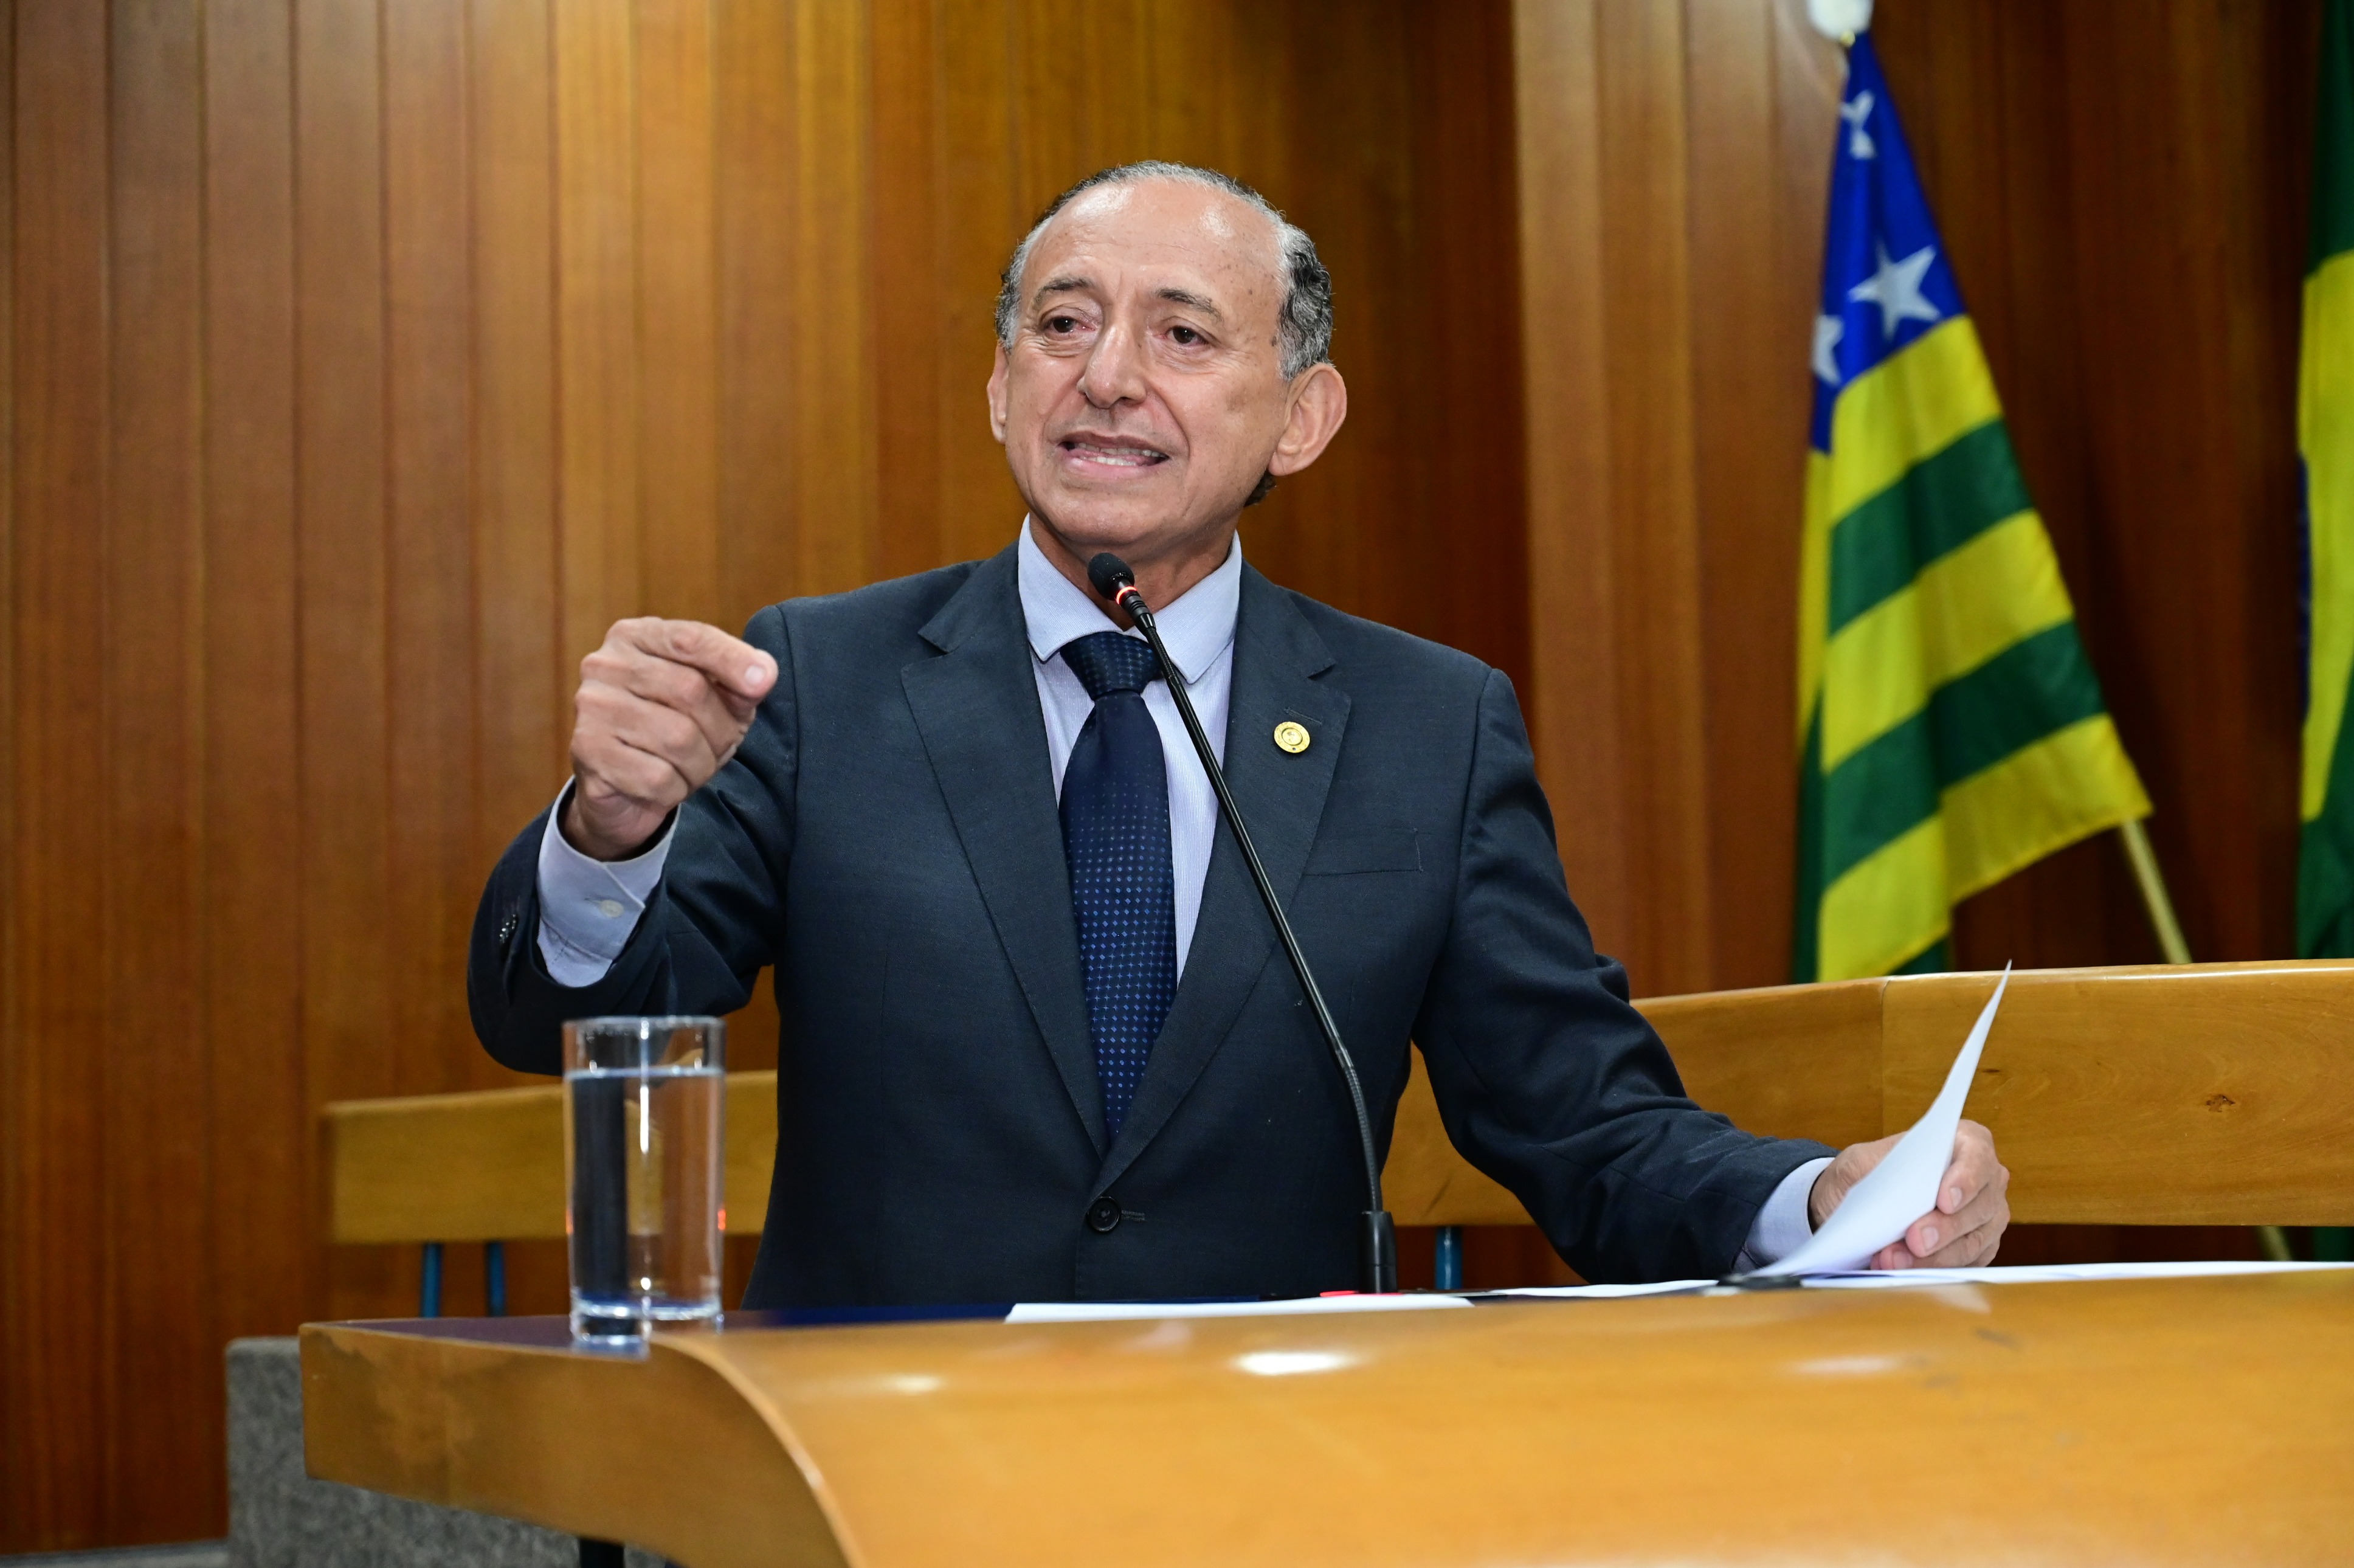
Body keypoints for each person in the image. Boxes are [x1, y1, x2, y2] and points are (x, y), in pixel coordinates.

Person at [469, 161, 2009, 1305]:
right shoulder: (819, 677)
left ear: (1300, 418)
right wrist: (611, 831)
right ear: (1001, 389)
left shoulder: (1427, 728)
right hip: (871, 1472)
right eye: (1061, 324)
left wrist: (1824, 1201)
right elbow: (567, 1026)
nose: (1107, 377)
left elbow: (1581, 1121)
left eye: (1183, 335)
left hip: (1265, 1480)